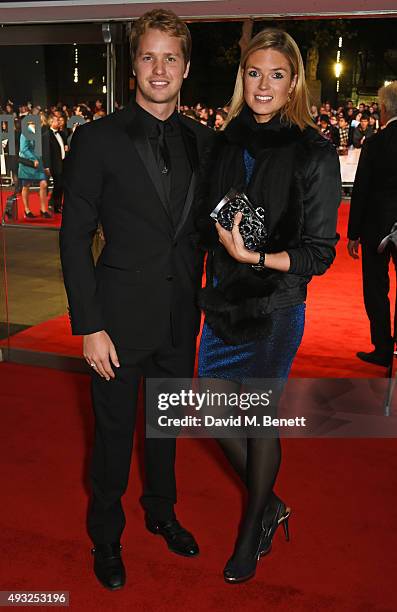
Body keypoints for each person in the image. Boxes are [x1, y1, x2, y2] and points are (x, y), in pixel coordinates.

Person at [59, 9, 213, 591]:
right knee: (115, 436)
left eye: (170, 58)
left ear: (186, 67)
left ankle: (162, 513)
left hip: (180, 319)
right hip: (116, 323)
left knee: (165, 430)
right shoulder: (97, 139)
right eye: (148, 57)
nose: (159, 68)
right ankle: (106, 536)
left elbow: (206, 229)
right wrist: (89, 325)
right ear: (133, 68)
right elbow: (74, 236)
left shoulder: (205, 140)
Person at [197, 27, 340, 584]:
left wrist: (255, 257)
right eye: (254, 72)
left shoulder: (315, 152)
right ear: (242, 79)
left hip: (277, 305)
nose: (263, 84)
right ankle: (272, 503)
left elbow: (319, 253)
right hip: (225, 301)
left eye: (276, 75)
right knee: (206, 408)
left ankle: (252, 527)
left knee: (258, 420)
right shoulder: (226, 141)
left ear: (294, 83)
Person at [347, 81, 397, 367]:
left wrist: (353, 233)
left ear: (383, 109)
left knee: (376, 288)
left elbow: (361, 188)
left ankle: (382, 347)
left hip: (376, 227)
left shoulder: (376, 143)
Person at [18, 118, 51, 218]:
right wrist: (33, 159)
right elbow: (23, 149)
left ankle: (43, 209)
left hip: (38, 163)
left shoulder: (36, 133)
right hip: (28, 164)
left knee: (44, 184)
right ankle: (27, 210)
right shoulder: (25, 133)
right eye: (40, 122)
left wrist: (44, 164)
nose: (41, 125)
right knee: (26, 186)